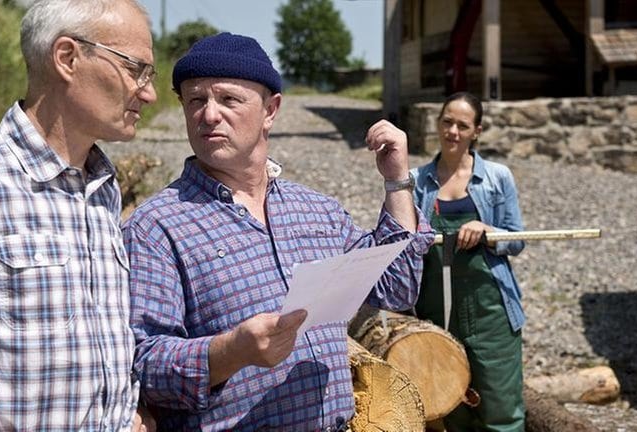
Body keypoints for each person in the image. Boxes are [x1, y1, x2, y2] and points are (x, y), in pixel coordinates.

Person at [123, 32, 433, 431]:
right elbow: (143, 365)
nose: (209, 114)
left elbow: (397, 288)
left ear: (271, 110)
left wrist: (396, 183)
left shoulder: (316, 211)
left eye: (229, 99)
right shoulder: (155, 227)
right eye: (196, 100)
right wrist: (230, 352)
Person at [0, 0, 158, 430]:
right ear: (67, 57)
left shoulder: (102, 188)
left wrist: (129, 411)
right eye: (135, 69)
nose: (149, 92)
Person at [410, 91, 526, 431]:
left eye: (463, 125)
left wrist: (488, 229)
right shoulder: (418, 182)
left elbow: (517, 240)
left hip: (492, 313)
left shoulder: (497, 177)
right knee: (452, 407)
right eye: (447, 122)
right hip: (436, 310)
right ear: (437, 124)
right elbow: (402, 241)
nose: (453, 132)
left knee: (502, 411)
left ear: (476, 131)